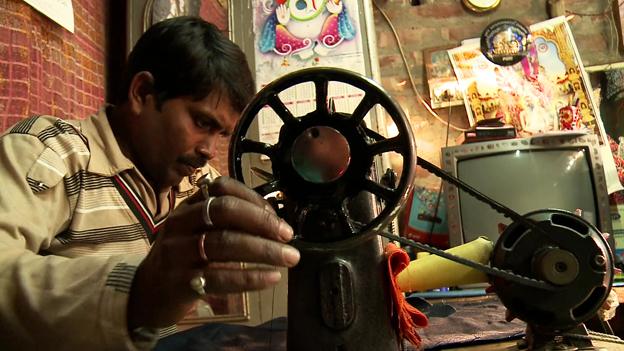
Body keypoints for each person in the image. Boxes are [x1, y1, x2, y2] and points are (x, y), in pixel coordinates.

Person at [0, 16, 300, 350]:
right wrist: (137, 293)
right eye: (202, 122)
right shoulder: (53, 155)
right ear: (142, 92)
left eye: (222, 134)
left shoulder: (195, 182)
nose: (209, 150)